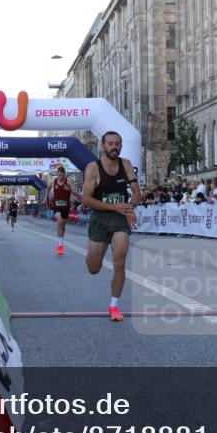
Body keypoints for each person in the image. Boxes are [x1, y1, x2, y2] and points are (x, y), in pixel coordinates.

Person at [81, 131, 143, 322]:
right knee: (94, 268)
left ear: (121, 146)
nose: (114, 147)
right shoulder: (93, 168)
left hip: (119, 220)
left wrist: (130, 207)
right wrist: (114, 206)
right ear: (104, 145)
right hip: (100, 219)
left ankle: (114, 306)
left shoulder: (125, 165)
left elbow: (136, 192)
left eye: (117, 143)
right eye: (110, 143)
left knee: (119, 261)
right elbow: (86, 200)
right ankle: (92, 253)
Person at [49, 166, 72, 255]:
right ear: (56, 174)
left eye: (62, 175)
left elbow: (73, 191)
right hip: (56, 205)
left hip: (66, 206)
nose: (61, 177)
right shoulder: (53, 181)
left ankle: (61, 240)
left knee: (63, 225)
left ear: (65, 175)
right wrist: (45, 198)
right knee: (59, 220)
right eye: (59, 175)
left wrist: (69, 189)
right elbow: (47, 189)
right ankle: (60, 244)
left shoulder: (68, 181)